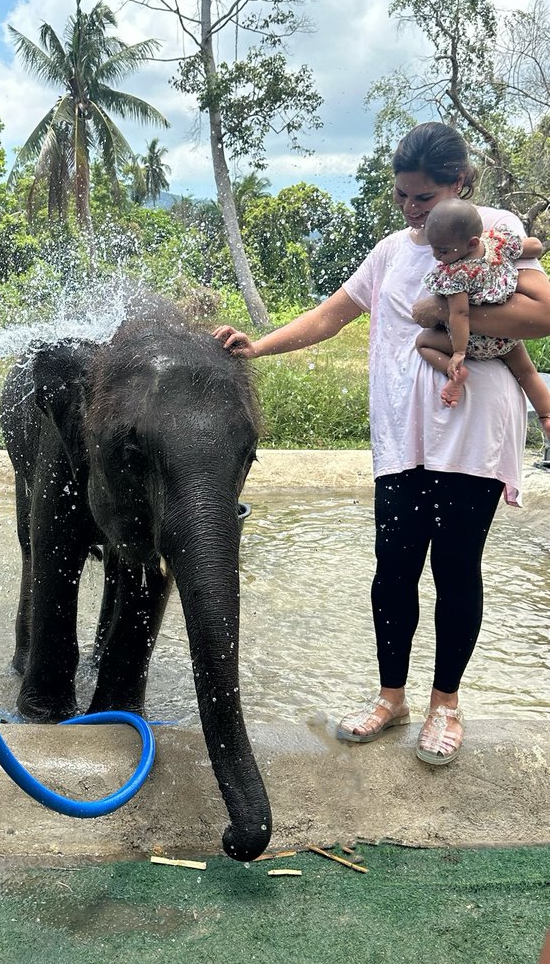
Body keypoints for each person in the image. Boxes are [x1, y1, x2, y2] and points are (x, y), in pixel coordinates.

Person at [214, 121, 550, 770]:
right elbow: (330, 314)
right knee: (391, 569)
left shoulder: (494, 229)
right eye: (402, 196)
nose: (412, 210)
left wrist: (449, 315)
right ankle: (391, 696)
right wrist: (259, 346)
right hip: (402, 437)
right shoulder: (393, 250)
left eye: (423, 197)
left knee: (455, 569)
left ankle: (445, 705)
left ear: (458, 184)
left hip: (473, 430)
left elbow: (542, 312)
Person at [416, 196, 550, 431]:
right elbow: (534, 247)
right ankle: (546, 415)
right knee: (527, 372)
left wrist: (458, 353)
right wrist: (528, 247)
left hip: (475, 341)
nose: (437, 256)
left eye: (443, 250)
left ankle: (455, 374)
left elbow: (459, 315)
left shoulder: (455, 274)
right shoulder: (498, 243)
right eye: (433, 248)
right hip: (505, 335)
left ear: (470, 243)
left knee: (422, 342)